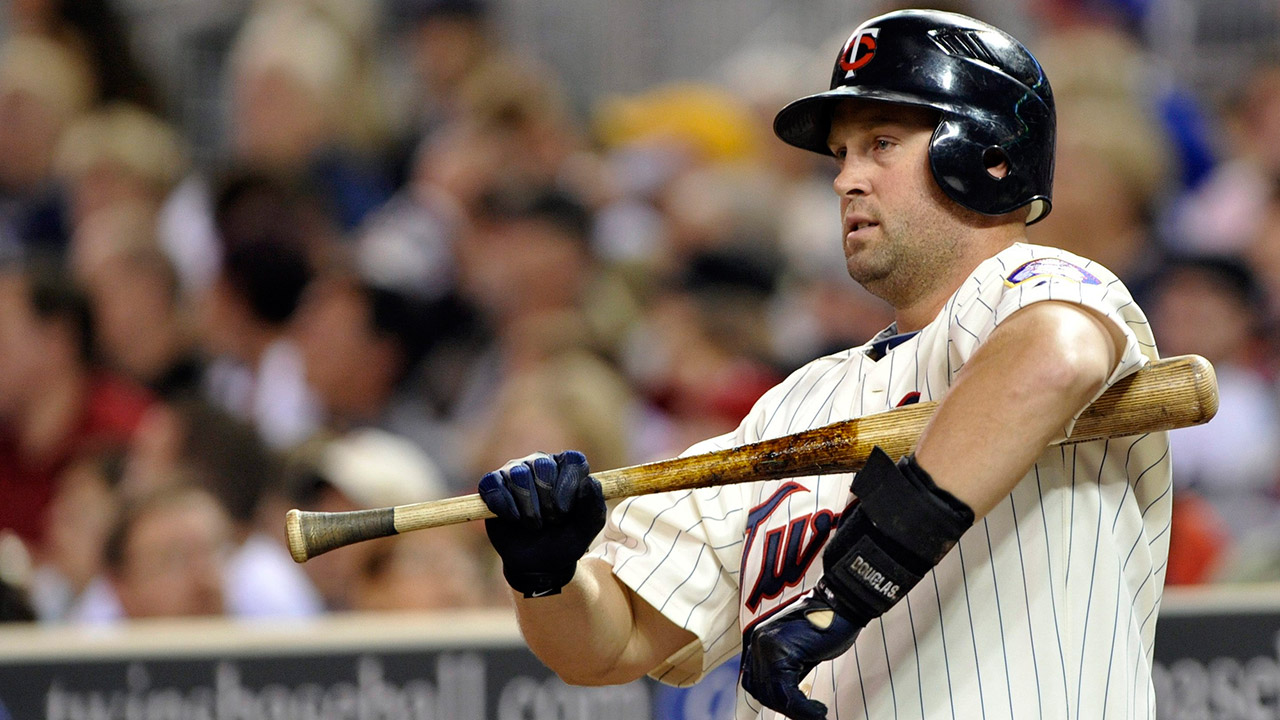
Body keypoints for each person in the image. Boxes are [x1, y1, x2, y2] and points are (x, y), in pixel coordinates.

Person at [476, 10, 1170, 720]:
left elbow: (1057, 358)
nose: (845, 180)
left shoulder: (1036, 286)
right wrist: (547, 576)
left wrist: (847, 593)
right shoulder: (793, 406)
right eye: (841, 155)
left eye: (881, 144)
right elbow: (611, 645)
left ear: (989, 156)